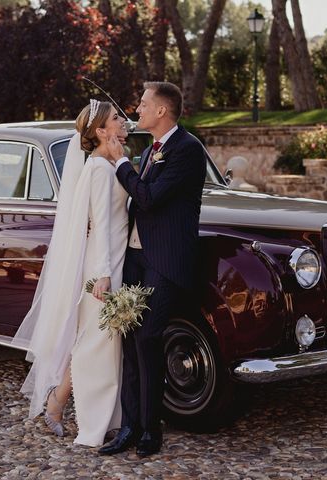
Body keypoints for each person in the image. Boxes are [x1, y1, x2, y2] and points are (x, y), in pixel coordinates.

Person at [12, 100, 129, 447]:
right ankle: (88, 420)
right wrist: (104, 274)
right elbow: (102, 225)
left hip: (116, 258)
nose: (123, 121)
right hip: (105, 264)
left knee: (99, 343)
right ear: (101, 132)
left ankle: (62, 404)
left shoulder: (110, 164)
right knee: (97, 345)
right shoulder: (98, 170)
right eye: (116, 119)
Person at [99, 81, 207, 457]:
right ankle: (128, 427)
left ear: (162, 111)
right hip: (136, 259)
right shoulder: (150, 152)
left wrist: (120, 163)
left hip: (165, 263)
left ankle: (151, 430)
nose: (138, 108)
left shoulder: (187, 150)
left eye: (143, 104)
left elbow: (148, 197)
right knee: (129, 340)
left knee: (148, 338)